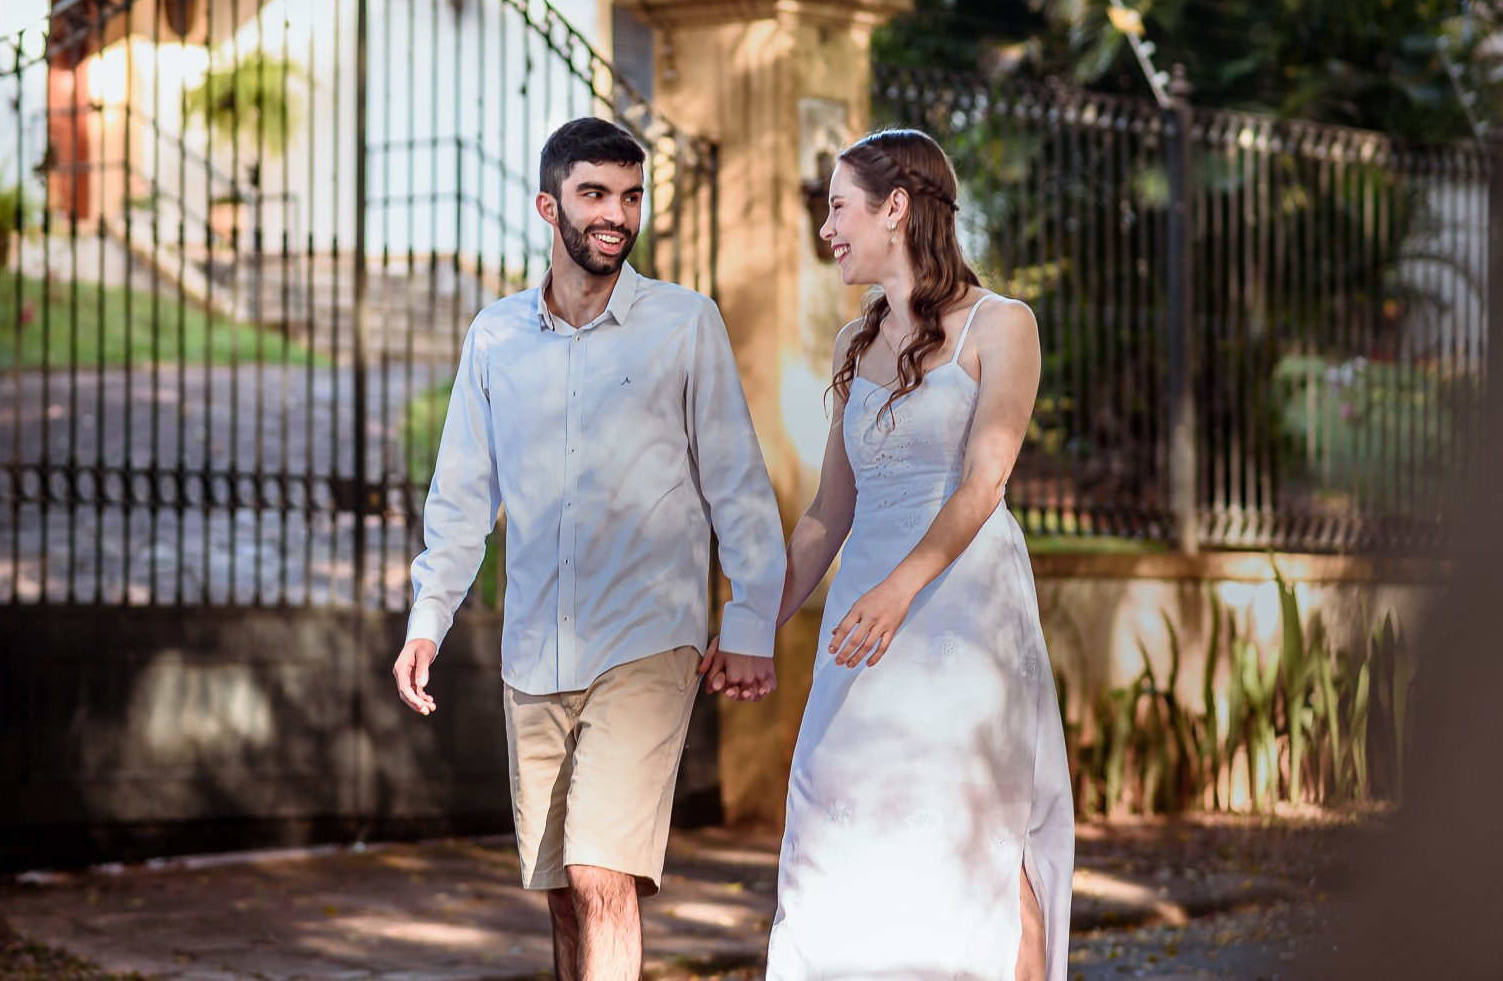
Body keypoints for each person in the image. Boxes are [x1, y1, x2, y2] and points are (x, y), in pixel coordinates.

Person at [392, 116, 786, 981]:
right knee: (566, 890)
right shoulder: (494, 337)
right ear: (549, 204)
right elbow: (462, 497)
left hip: (649, 638)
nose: (617, 213)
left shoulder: (685, 324)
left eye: (632, 194)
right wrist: (429, 620)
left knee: (602, 869)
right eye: (595, 194)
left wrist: (752, 617)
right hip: (536, 649)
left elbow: (738, 486)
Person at [763, 128, 1075, 981]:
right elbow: (829, 513)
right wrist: (752, 624)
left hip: (965, 612)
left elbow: (983, 484)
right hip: (864, 615)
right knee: (832, 822)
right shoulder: (853, 345)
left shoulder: (1002, 325)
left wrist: (902, 588)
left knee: (979, 836)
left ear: (894, 207)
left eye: (837, 207)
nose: (827, 228)